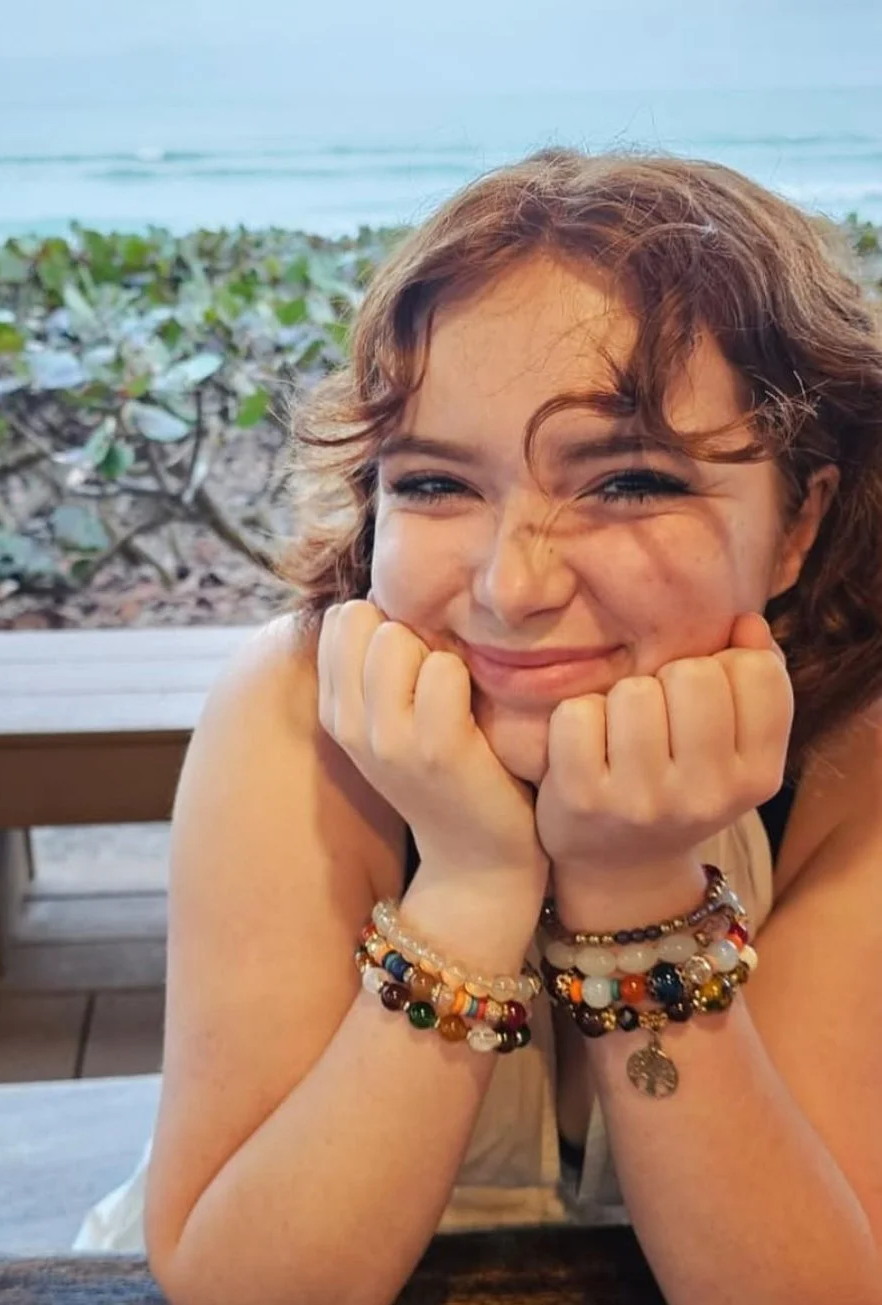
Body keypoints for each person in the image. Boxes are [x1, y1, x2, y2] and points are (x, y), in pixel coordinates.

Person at [76, 147, 882, 1305]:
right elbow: (242, 1280)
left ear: (798, 519)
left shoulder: (853, 752)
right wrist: (463, 884)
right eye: (435, 484)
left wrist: (636, 887)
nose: (512, 586)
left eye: (629, 482)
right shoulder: (291, 721)